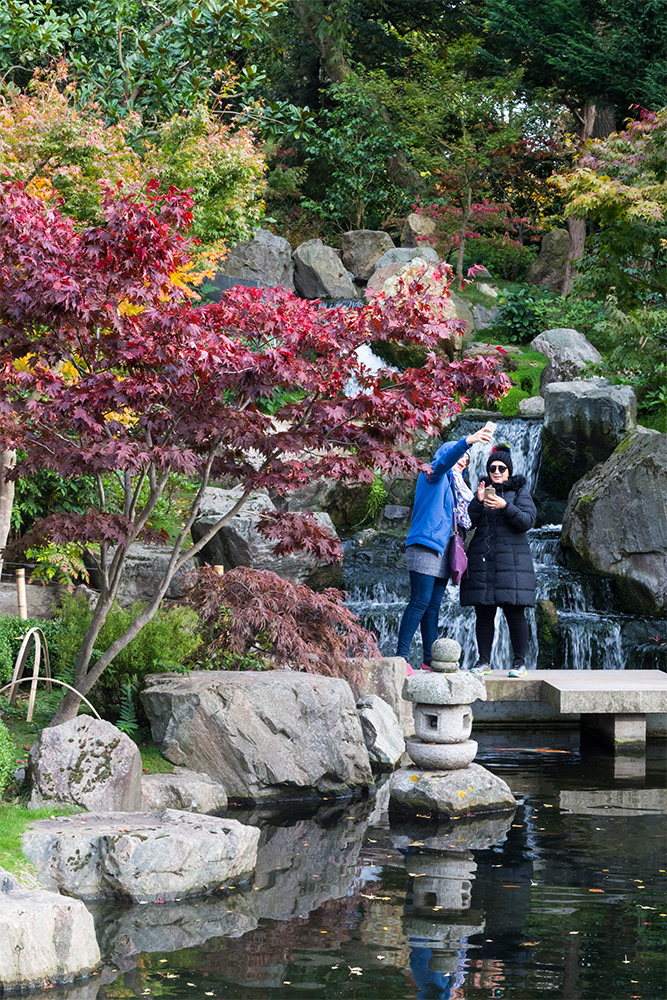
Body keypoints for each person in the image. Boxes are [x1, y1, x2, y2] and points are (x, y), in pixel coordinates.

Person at [396, 426, 494, 673]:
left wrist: (479, 503)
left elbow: (465, 522)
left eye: (467, 460)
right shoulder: (433, 474)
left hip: (444, 549)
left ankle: (429, 660)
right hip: (426, 545)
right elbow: (443, 462)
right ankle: (400, 659)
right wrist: (468, 441)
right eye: (460, 456)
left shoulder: (455, 488)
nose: (464, 460)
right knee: (419, 601)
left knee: (433, 606)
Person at [460, 444, 536, 677]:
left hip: (512, 565)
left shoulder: (520, 492)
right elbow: (467, 523)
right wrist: (477, 501)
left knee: (515, 614)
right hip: (483, 562)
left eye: (502, 468)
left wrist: (505, 507)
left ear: (509, 471)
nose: (497, 471)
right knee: (483, 613)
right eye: (492, 467)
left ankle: (519, 663)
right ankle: (484, 662)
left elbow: (527, 521)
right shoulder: (483, 491)